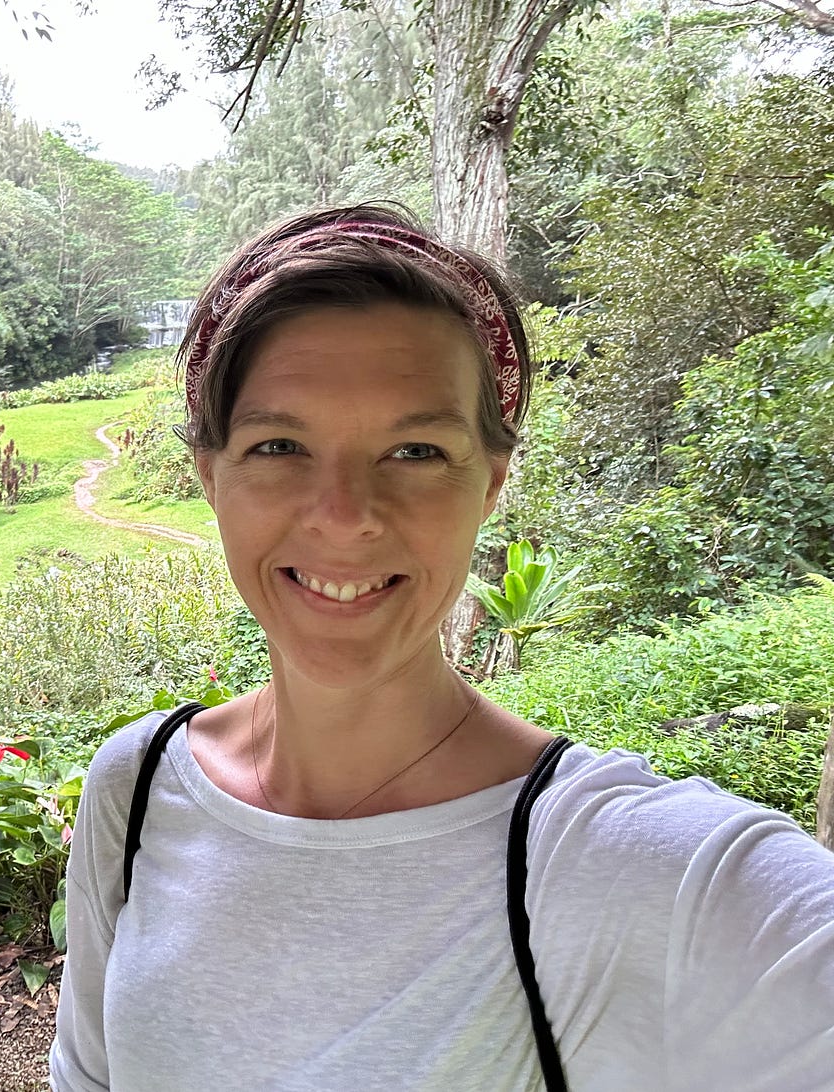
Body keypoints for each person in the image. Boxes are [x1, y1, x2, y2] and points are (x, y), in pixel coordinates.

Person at [48, 204, 834, 1091]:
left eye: (416, 451)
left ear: (489, 485)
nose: (345, 516)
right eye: (279, 445)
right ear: (211, 475)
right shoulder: (139, 790)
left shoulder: (623, 865)